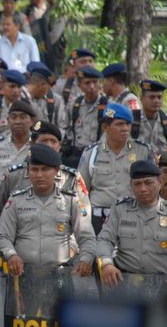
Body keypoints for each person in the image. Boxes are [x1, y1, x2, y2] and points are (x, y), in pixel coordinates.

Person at [0, 143, 95, 277]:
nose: (39, 175)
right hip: (23, 274)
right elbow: (3, 236)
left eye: (45, 169)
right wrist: (11, 255)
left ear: (56, 171)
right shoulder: (15, 200)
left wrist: (86, 259)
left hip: (61, 274)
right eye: (34, 169)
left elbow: (87, 237)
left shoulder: (72, 200)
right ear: (27, 171)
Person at [0, 120, 90, 225]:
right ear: (32, 144)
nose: (49, 146)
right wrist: (5, 235)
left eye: (53, 141)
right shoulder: (14, 175)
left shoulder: (71, 178)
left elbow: (83, 217)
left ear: (60, 146)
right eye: (44, 141)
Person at [79, 103, 154, 234]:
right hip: (99, 219)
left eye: (127, 124)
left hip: (133, 217)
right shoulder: (91, 153)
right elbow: (81, 190)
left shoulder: (142, 151)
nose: (125, 128)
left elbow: (153, 185)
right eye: (119, 124)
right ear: (105, 127)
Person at [98, 160, 167, 285]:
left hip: (161, 282)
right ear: (131, 186)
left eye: (148, 183)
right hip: (126, 280)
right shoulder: (120, 209)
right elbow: (105, 239)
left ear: (160, 182)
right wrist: (107, 264)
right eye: (137, 184)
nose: (143, 189)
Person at [0, 101, 35, 200]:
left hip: (30, 204)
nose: (17, 121)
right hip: (2, 204)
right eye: (13, 117)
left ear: (32, 121)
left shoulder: (38, 145)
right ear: (7, 120)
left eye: (23, 117)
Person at [61, 65, 107, 167]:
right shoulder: (74, 105)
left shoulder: (107, 106)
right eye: (87, 83)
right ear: (79, 85)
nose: (92, 86)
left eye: (95, 82)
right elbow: (64, 127)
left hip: (97, 156)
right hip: (76, 154)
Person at [136, 80, 167, 150]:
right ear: (141, 98)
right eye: (152, 97)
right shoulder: (132, 120)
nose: (156, 101)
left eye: (159, 97)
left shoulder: (165, 120)